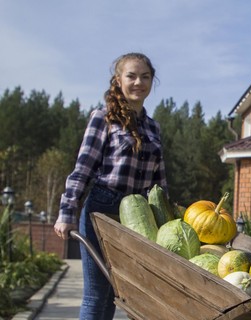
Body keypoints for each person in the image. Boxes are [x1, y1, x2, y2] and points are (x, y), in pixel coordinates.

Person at [54, 52, 168, 320]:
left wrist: (165, 219)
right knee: (97, 294)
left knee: (118, 294)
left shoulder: (153, 127)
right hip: (102, 210)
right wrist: (67, 212)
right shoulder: (103, 117)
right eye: (131, 76)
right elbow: (83, 168)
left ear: (152, 81)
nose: (138, 82)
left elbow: (159, 182)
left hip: (138, 218)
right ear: (118, 80)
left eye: (145, 76)